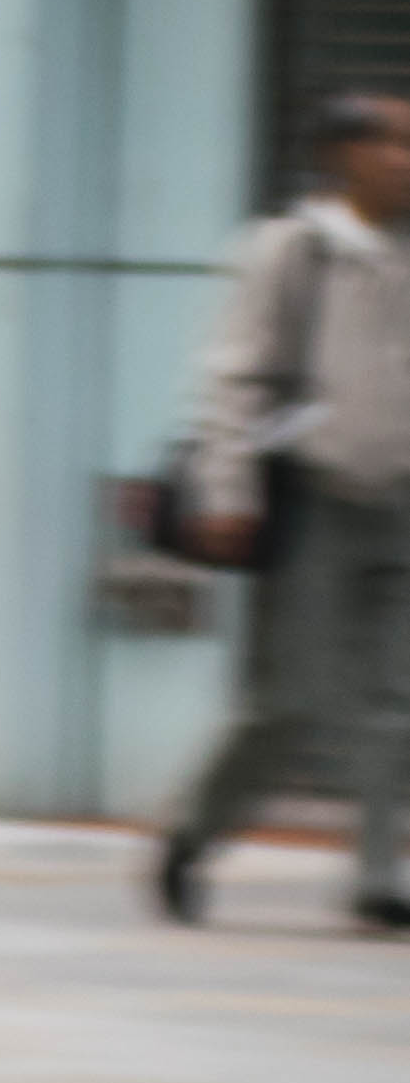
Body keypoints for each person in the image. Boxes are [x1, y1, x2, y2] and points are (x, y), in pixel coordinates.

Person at [160, 89, 410, 929]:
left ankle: (378, 879)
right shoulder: (287, 251)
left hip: (398, 500)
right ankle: (192, 832)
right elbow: (234, 375)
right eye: (393, 144)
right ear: (343, 155)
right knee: (290, 700)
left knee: (392, 700)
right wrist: (226, 490)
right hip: (309, 500)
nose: (405, 161)